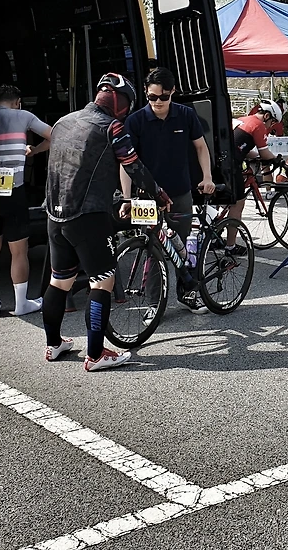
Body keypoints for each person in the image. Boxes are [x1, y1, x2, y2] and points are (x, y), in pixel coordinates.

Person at [42, 72, 172, 371]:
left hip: (54, 214)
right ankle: (96, 354)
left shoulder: (63, 122)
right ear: (120, 101)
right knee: (102, 281)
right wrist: (159, 193)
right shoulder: (111, 126)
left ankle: (54, 344)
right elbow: (133, 165)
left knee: (59, 281)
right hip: (88, 216)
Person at [124, 66, 216, 312]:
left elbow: (201, 147)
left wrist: (207, 177)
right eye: (152, 97)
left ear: (173, 91)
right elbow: (126, 162)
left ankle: (187, 294)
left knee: (182, 247)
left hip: (180, 191)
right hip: (146, 196)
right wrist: (126, 197)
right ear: (145, 92)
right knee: (151, 249)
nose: (158, 102)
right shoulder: (135, 121)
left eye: (163, 97)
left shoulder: (185, 115)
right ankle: (154, 304)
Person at [0, 84, 51, 317]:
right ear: (18, 102)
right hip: (13, 190)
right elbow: (55, 135)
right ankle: (21, 304)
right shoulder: (24, 116)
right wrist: (34, 150)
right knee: (19, 251)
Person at [228, 100, 281, 230]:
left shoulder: (242, 119)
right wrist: (277, 160)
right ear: (267, 116)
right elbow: (265, 154)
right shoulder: (258, 125)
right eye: (273, 122)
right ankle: (230, 242)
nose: (271, 126)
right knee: (238, 204)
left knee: (221, 200)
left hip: (218, 161)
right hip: (231, 165)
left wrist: (256, 156)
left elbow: (240, 147)